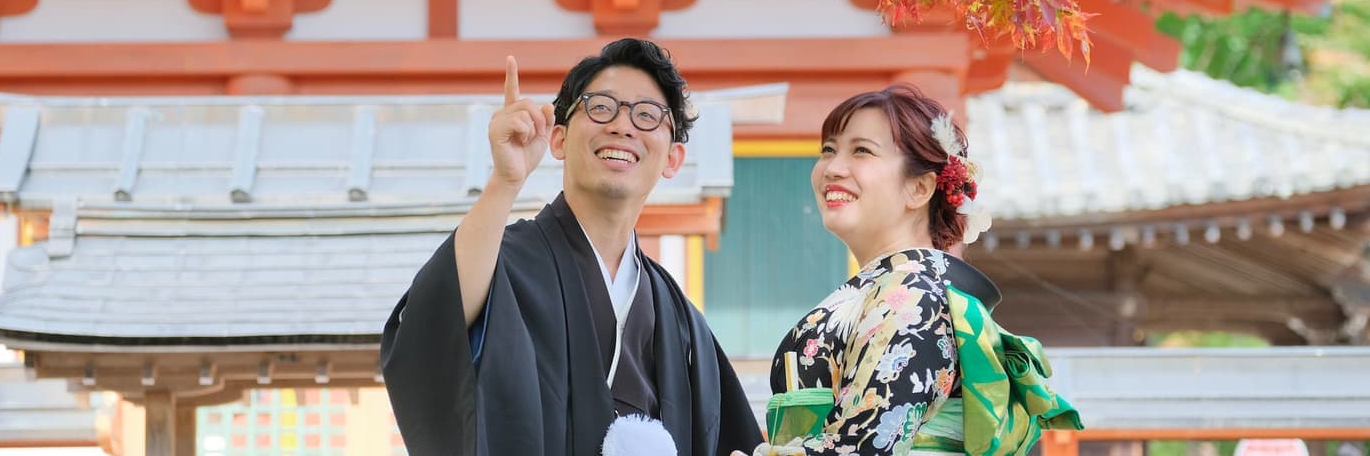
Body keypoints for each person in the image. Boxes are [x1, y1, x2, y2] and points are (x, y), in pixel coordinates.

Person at [381, 37, 764, 456]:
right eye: (601, 107)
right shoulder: (505, 259)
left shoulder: (680, 316)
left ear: (673, 158)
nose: (623, 126)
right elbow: (434, 325)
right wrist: (505, 183)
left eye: (648, 115)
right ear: (559, 140)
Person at [737, 85, 1080, 456]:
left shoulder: (913, 294)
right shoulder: (902, 287)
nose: (832, 168)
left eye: (862, 151)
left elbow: (865, 448)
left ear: (919, 188)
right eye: (828, 150)